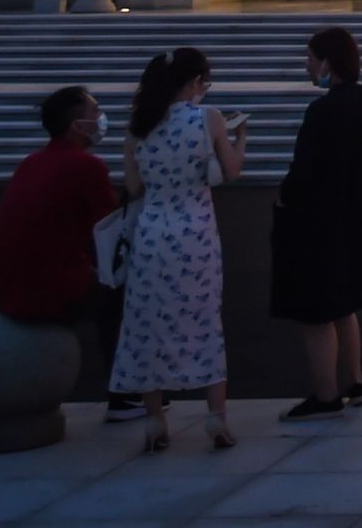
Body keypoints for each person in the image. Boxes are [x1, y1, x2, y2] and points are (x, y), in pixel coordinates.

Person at [110, 46, 245, 452]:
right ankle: (215, 417)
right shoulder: (209, 119)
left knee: (147, 325)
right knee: (204, 320)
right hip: (196, 230)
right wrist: (240, 139)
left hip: (153, 230)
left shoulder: (139, 126)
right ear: (194, 82)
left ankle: (155, 422)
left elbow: (134, 188)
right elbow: (230, 171)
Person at [0, 85, 142, 421]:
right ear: (77, 127)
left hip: (8, 287)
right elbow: (112, 230)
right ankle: (125, 393)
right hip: (50, 287)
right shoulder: (86, 167)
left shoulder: (31, 163)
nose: (101, 118)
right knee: (125, 295)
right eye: (95, 112)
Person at [272, 27, 362, 419]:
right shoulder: (360, 101)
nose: (307, 65)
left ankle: (324, 395)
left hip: (317, 222)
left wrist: (283, 197)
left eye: (311, 57)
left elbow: (303, 171)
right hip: (351, 218)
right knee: (345, 305)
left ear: (327, 62)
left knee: (317, 313)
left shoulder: (323, 111)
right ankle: (355, 381)